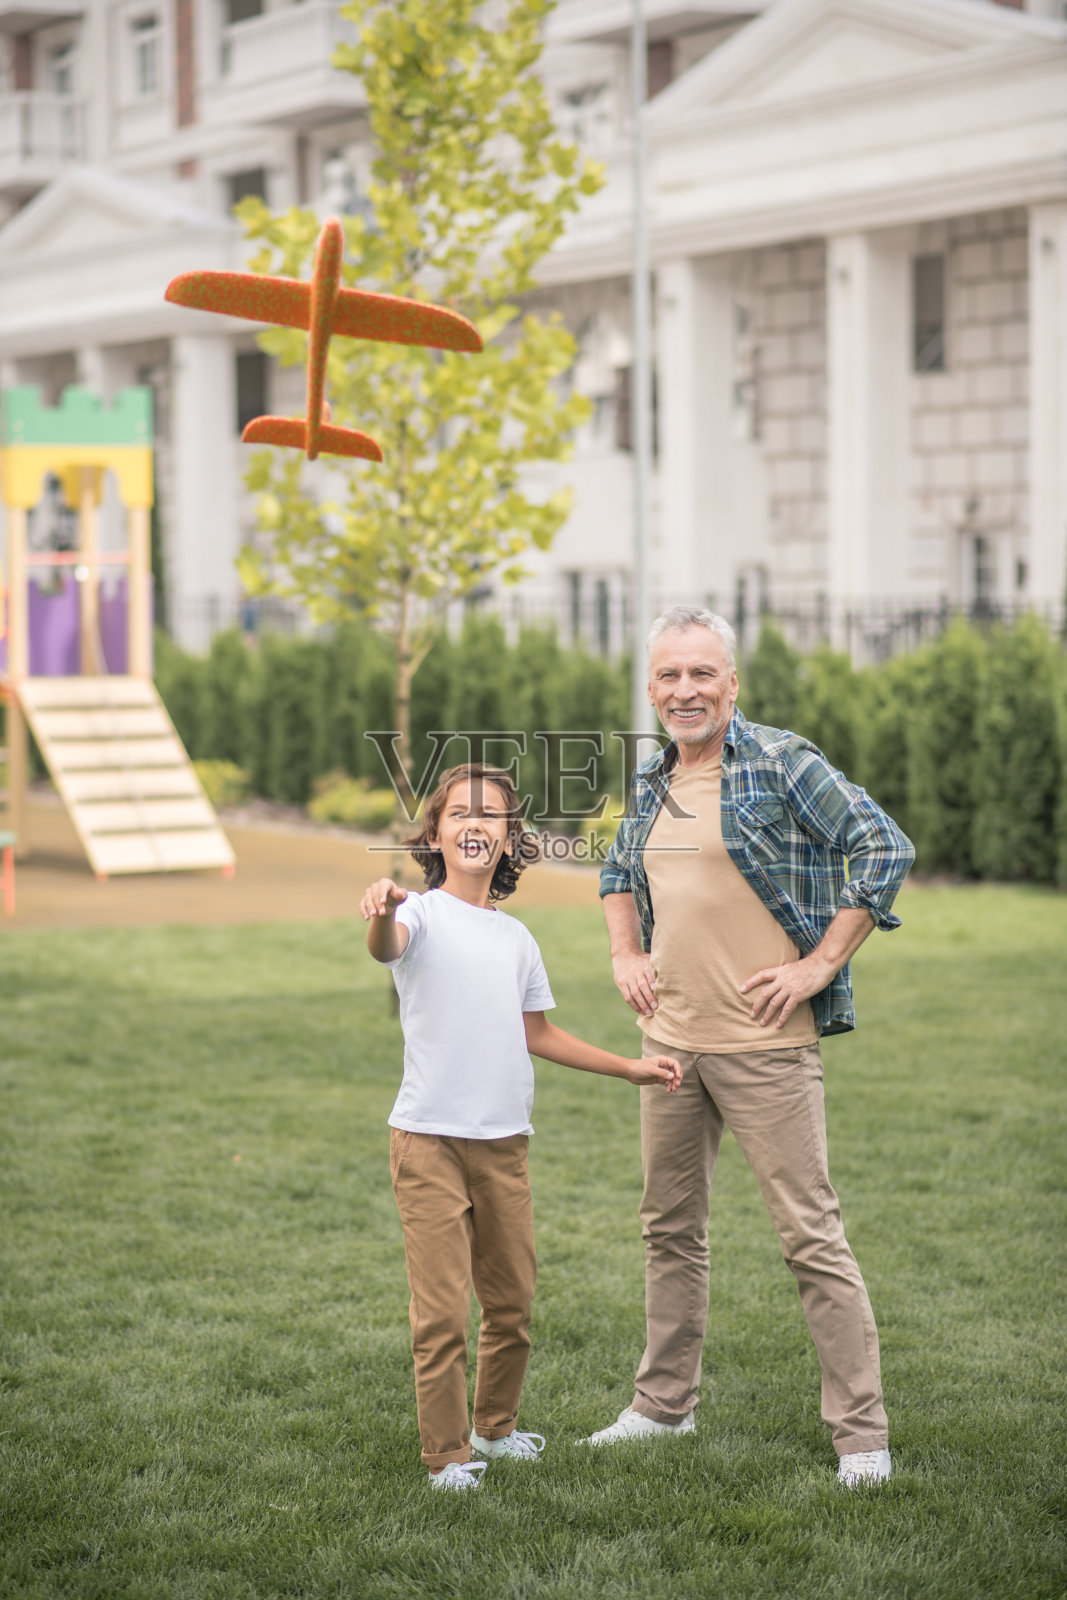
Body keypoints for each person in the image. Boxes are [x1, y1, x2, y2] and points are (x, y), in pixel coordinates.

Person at [583, 606, 914, 1488]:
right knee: (668, 1230)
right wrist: (625, 951)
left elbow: (882, 846)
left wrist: (818, 964)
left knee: (809, 1236)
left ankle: (861, 1438)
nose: (684, 690)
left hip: (765, 1045)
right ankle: (663, 1409)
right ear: (651, 689)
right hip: (669, 1047)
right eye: (667, 676)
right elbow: (617, 873)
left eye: (701, 674)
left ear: (731, 683)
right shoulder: (651, 779)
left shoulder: (780, 762)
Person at [360, 762, 682, 1492]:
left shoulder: (516, 940)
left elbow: (538, 1033)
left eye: (493, 816)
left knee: (512, 1304)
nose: (476, 825)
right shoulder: (417, 913)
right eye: (459, 814)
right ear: (436, 833)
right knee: (441, 1313)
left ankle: (494, 1430)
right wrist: (381, 909)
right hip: (429, 1143)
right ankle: (446, 1456)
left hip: (504, 1144)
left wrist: (628, 1067)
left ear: (510, 840)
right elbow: (387, 947)